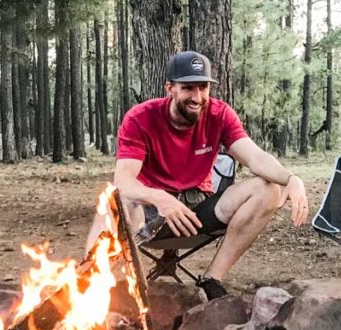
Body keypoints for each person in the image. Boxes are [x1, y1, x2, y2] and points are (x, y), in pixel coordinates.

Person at [87, 51, 309, 300]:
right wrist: (160, 198)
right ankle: (89, 285)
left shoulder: (219, 114)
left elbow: (255, 157)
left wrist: (292, 178)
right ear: (170, 88)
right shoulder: (141, 118)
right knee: (113, 205)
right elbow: (124, 182)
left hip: (196, 211)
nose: (197, 97)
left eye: (203, 87)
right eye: (188, 88)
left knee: (269, 189)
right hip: (149, 216)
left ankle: (211, 279)